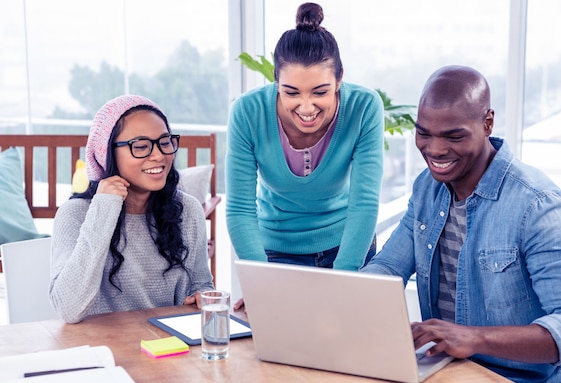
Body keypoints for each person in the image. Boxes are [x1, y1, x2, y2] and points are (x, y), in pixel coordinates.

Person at [361, 65, 561, 383]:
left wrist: (475, 338)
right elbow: (388, 267)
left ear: (487, 123)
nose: (435, 149)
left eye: (453, 136)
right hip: (447, 381)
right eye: (424, 133)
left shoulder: (539, 205)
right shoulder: (428, 189)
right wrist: (342, 302)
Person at [226, 3, 383, 288]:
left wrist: (344, 275)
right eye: (291, 92)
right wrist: (260, 282)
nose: (306, 107)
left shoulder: (364, 107)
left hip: (347, 246)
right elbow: (239, 208)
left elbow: (364, 204)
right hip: (276, 252)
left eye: (320, 92)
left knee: (346, 331)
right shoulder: (247, 112)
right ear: (276, 81)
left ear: (339, 79)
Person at [49, 94, 214, 324]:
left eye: (165, 142)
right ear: (108, 153)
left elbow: (201, 285)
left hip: (169, 348)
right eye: (141, 146)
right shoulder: (76, 214)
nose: (158, 155)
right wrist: (104, 207)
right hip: (103, 351)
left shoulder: (187, 210)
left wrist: (201, 296)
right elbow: (68, 309)